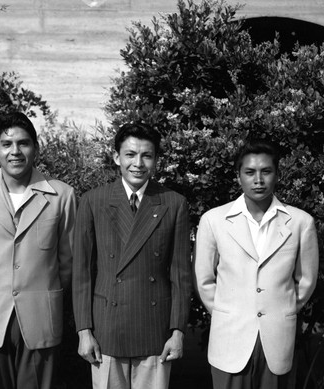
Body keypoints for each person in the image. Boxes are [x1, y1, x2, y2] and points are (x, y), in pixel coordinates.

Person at [0, 112, 76, 389]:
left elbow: (67, 261)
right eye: (7, 144)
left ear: (36, 147)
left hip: (40, 317)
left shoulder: (62, 196)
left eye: (23, 143)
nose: (15, 151)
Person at [73, 123, 192, 389]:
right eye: (130, 155)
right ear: (116, 157)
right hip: (106, 330)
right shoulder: (93, 201)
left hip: (155, 330)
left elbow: (180, 275)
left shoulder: (173, 203)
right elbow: (82, 274)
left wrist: (178, 332)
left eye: (146, 156)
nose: (138, 163)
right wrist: (84, 331)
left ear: (156, 161)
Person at [194, 139, 319, 389]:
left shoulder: (300, 222)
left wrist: (281, 307)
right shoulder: (214, 220)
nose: (258, 180)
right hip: (229, 338)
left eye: (266, 171)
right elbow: (204, 280)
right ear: (239, 176)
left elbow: (305, 281)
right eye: (250, 172)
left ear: (277, 174)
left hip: (277, 337)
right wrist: (226, 310)